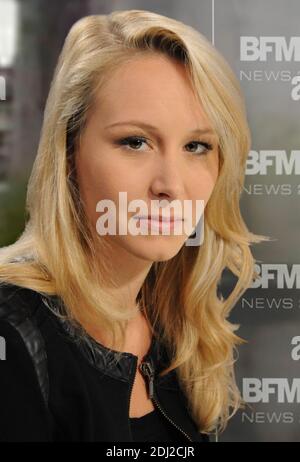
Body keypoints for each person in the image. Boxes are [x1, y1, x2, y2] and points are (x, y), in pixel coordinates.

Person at [0, 9, 270, 442]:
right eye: (135, 142)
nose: (171, 185)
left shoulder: (178, 328)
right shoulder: (12, 333)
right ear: (69, 152)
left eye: (197, 146)